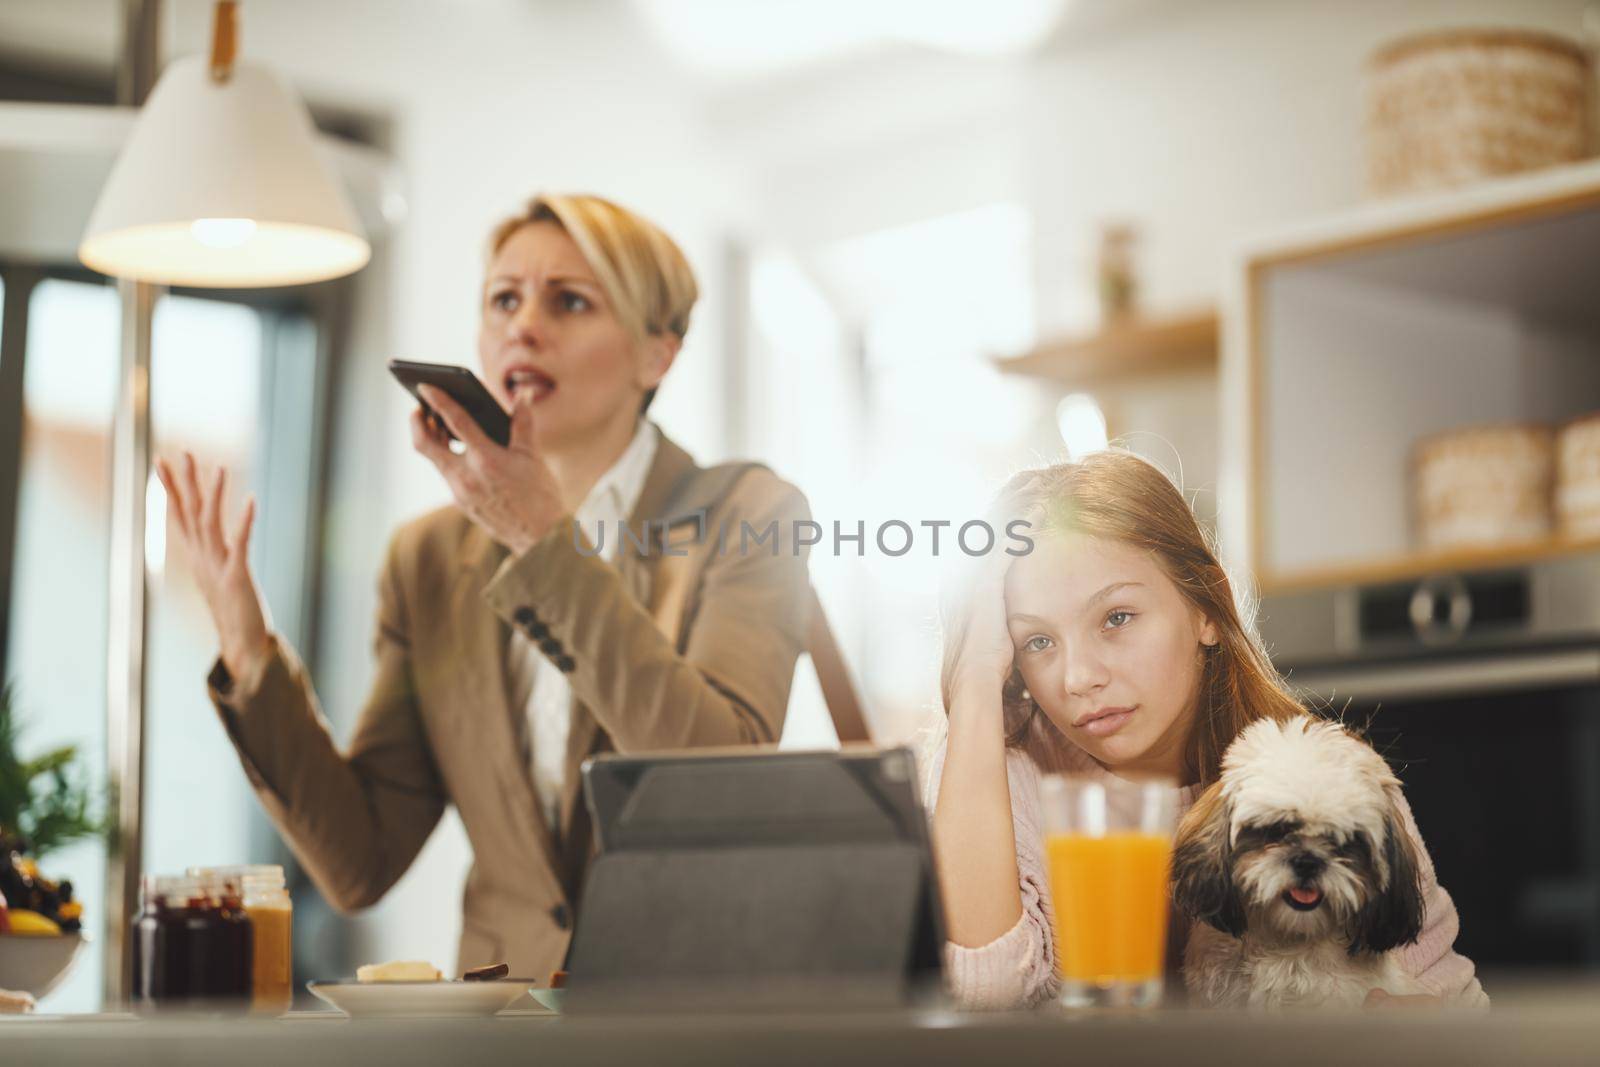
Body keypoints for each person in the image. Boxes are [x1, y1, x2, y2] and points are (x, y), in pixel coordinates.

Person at [157, 193, 815, 980]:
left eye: (570, 300)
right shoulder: (428, 558)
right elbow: (361, 859)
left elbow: (718, 784)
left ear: (657, 354)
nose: (523, 325)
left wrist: (543, 541)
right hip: (501, 1031)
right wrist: (247, 647)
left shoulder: (748, 512)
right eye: (504, 298)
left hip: (686, 1015)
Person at [926, 449, 1486, 1009]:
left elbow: (1453, 1008)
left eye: (1116, 618)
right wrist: (973, 680)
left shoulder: (1328, 782)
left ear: (1206, 609)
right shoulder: (994, 778)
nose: (1078, 678)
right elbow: (983, 1000)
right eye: (1037, 642)